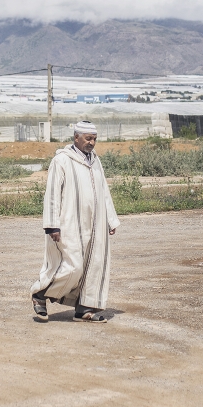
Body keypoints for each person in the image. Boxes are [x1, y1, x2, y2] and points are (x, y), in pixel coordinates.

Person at [31, 120, 120, 323]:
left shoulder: (95, 161)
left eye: (94, 139)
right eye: (88, 138)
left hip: (95, 224)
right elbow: (52, 193)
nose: (92, 143)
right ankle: (40, 294)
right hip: (68, 223)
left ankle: (84, 309)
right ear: (76, 138)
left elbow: (103, 191)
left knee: (94, 265)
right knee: (73, 266)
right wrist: (52, 225)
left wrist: (110, 220)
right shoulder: (62, 160)